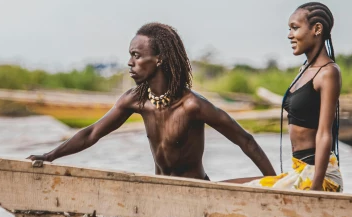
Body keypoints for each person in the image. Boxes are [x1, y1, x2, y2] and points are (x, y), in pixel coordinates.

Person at [27, 22, 275, 180]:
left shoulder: (192, 106)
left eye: (137, 55)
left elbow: (246, 140)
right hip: (159, 190)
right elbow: (92, 133)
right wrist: (49, 156)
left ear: (159, 59)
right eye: (130, 55)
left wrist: (276, 184)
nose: (130, 62)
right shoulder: (136, 101)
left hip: (198, 192)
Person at [246, 2, 343, 192]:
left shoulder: (328, 72)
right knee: (231, 185)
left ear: (316, 29)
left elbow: (325, 133)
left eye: (295, 28)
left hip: (318, 175)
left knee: (246, 191)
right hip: (299, 171)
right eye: (289, 29)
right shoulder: (304, 70)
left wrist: (315, 189)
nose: (290, 35)